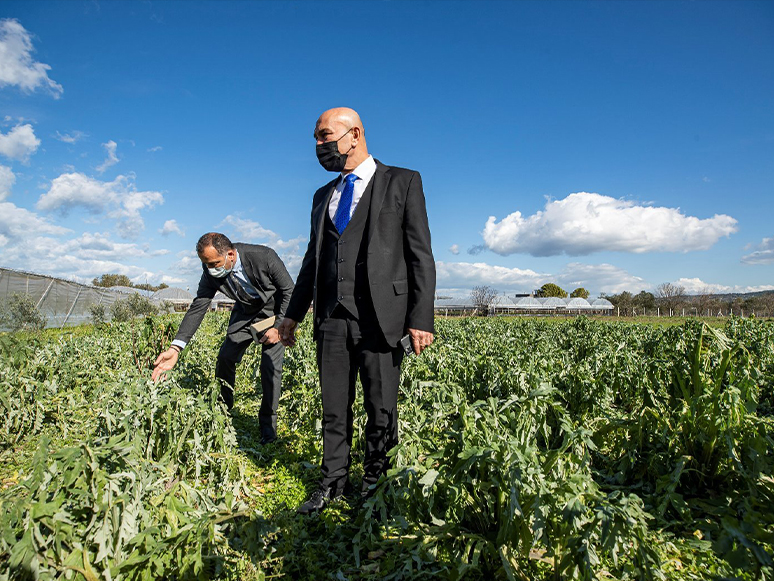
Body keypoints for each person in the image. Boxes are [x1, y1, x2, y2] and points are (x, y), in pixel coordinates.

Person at [278, 107, 436, 514]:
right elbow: (312, 261)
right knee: (333, 405)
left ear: (354, 135)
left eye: (324, 135)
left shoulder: (402, 181)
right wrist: (292, 315)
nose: (319, 145)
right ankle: (333, 481)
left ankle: (375, 483)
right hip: (331, 317)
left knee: (381, 406)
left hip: (382, 317)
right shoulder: (321, 196)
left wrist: (420, 318)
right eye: (316, 137)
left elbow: (420, 255)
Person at [153, 232, 294, 444]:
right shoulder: (210, 271)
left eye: (215, 263)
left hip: (274, 313)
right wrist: (175, 348)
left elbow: (289, 290)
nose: (211, 269)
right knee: (226, 357)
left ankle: (268, 428)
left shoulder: (263, 256)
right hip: (245, 314)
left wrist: (278, 327)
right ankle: (223, 411)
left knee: (270, 368)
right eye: (206, 264)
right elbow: (199, 305)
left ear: (230, 254)